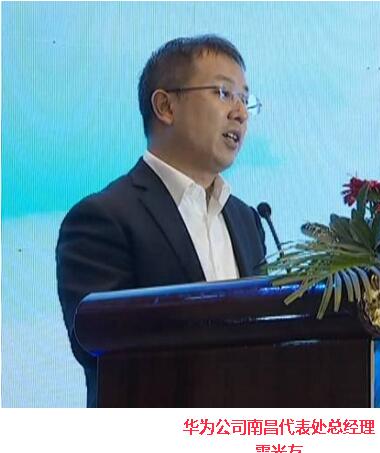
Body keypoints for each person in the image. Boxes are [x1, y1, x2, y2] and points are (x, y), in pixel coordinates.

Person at [56, 35, 267, 407]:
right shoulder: (103, 219)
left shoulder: (247, 220)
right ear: (166, 106)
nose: (240, 113)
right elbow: (100, 347)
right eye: (223, 93)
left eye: (244, 99)